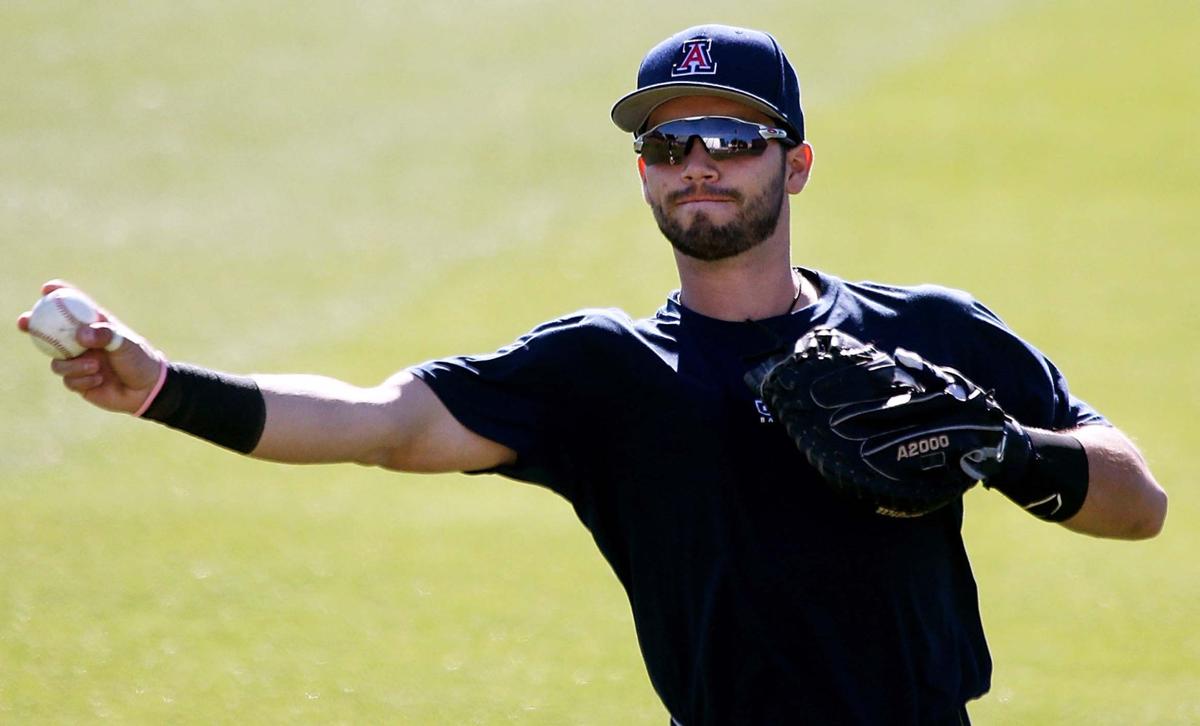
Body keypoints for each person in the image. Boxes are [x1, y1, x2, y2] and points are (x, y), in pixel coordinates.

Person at [18, 24, 1165, 726]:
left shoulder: (935, 332)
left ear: (797, 163)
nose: (698, 164)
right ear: (643, 173)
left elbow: (1138, 501)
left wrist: (1006, 453)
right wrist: (165, 387)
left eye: (731, 136)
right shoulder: (603, 372)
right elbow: (380, 421)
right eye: (669, 144)